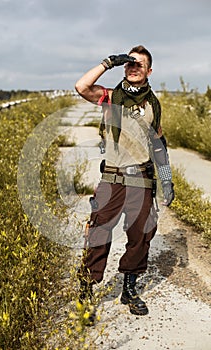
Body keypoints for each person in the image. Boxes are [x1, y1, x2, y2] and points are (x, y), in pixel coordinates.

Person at [75, 45, 174, 322]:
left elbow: (159, 146)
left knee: (141, 236)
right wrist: (107, 63)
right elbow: (81, 86)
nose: (132, 67)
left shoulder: (153, 103)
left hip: (142, 179)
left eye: (138, 64)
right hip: (113, 178)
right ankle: (86, 288)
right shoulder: (110, 97)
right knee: (99, 232)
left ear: (149, 71)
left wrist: (166, 181)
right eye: (128, 64)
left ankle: (129, 290)